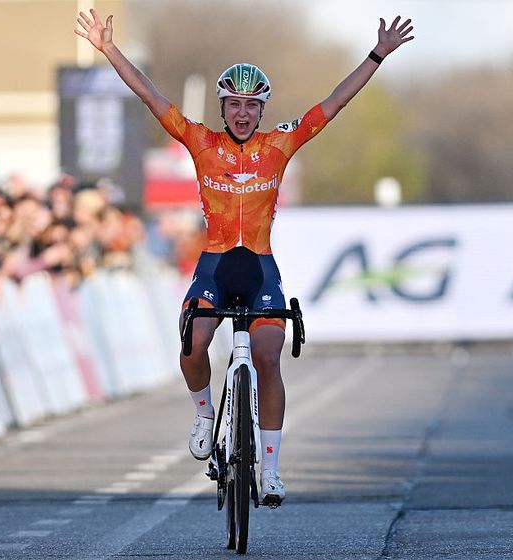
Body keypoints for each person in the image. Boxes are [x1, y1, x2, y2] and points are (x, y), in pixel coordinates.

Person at [75, 8, 413, 505]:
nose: (242, 113)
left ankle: (271, 469)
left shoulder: (279, 145)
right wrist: (107, 49)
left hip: (258, 267)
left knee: (267, 358)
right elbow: (150, 96)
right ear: (222, 106)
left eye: (251, 106)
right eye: (234, 104)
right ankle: (204, 413)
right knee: (193, 344)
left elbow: (333, 104)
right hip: (214, 263)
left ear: (261, 110)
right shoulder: (200, 142)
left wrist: (377, 55)